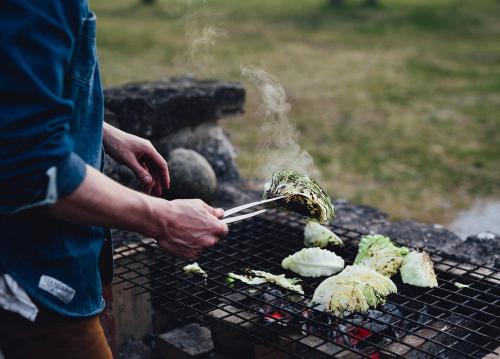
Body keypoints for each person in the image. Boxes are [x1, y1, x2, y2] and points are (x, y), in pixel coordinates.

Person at [0, 1, 229, 358]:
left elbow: (15, 95)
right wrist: (163, 219)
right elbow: (30, 164)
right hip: (30, 273)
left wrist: (99, 129)